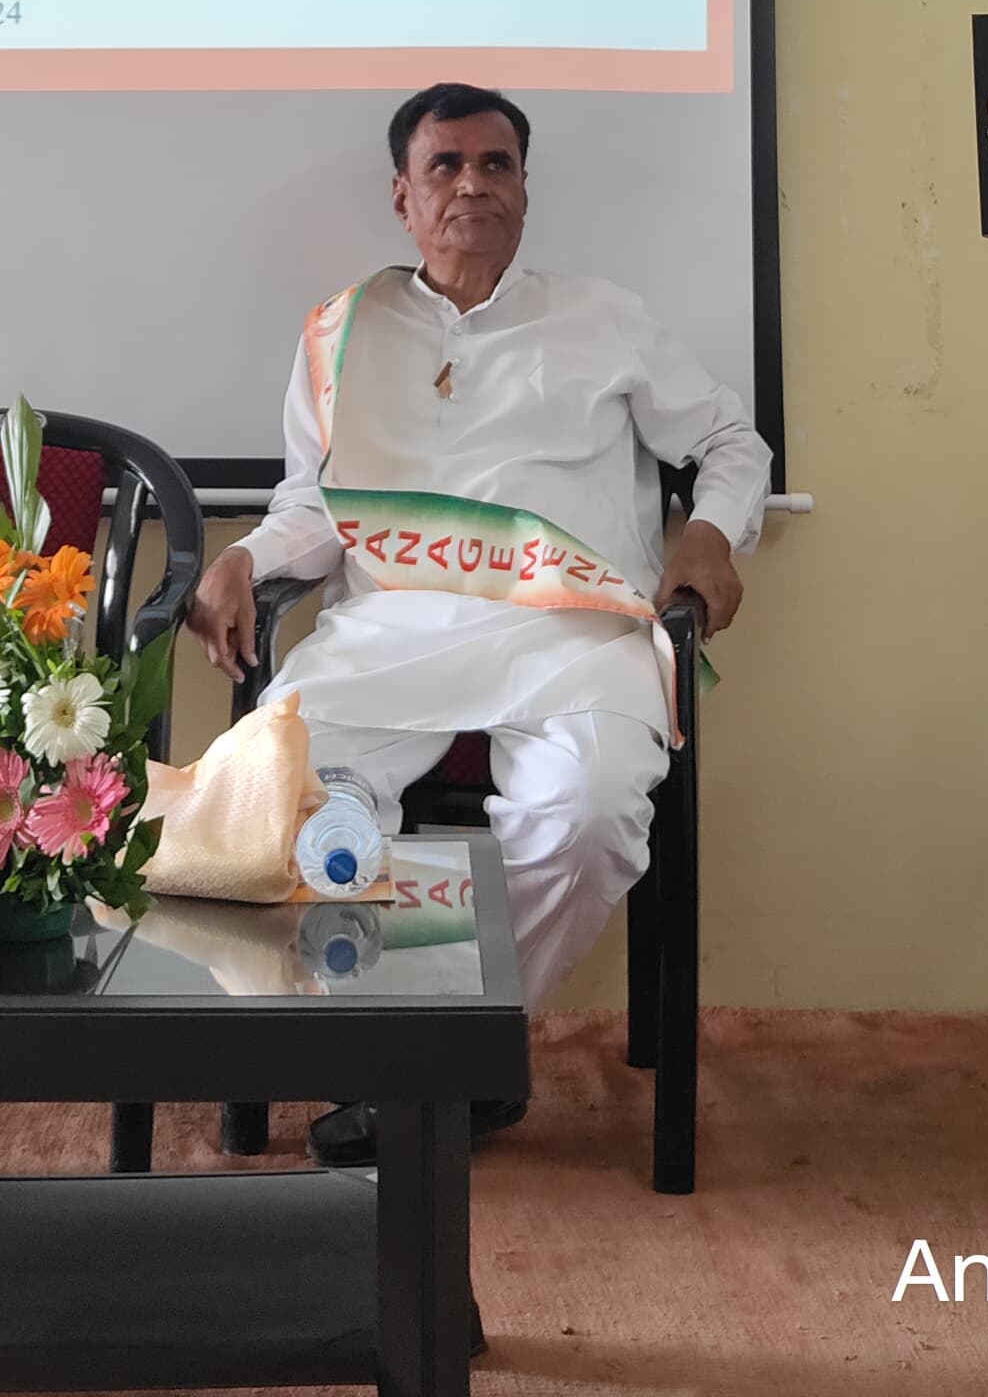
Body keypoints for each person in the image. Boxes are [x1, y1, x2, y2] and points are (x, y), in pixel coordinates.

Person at [186, 81, 763, 1167]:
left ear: (526, 189)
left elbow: (732, 443)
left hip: (572, 636)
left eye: (496, 165)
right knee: (297, 810)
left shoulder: (605, 319)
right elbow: (315, 508)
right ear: (401, 196)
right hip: (388, 633)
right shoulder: (341, 333)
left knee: (588, 817)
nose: (471, 185)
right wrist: (244, 558)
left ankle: (463, 1053)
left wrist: (710, 537)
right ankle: (400, 1045)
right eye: (444, 166)